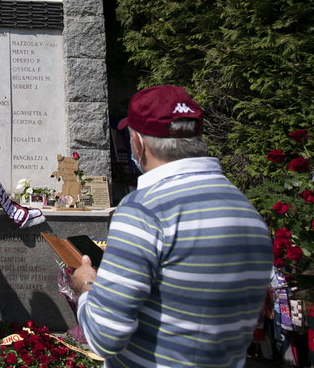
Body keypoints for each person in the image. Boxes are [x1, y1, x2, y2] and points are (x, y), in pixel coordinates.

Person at [71, 85, 273, 367]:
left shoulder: (143, 211)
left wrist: (87, 285)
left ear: (138, 142)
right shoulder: (246, 210)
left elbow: (104, 336)